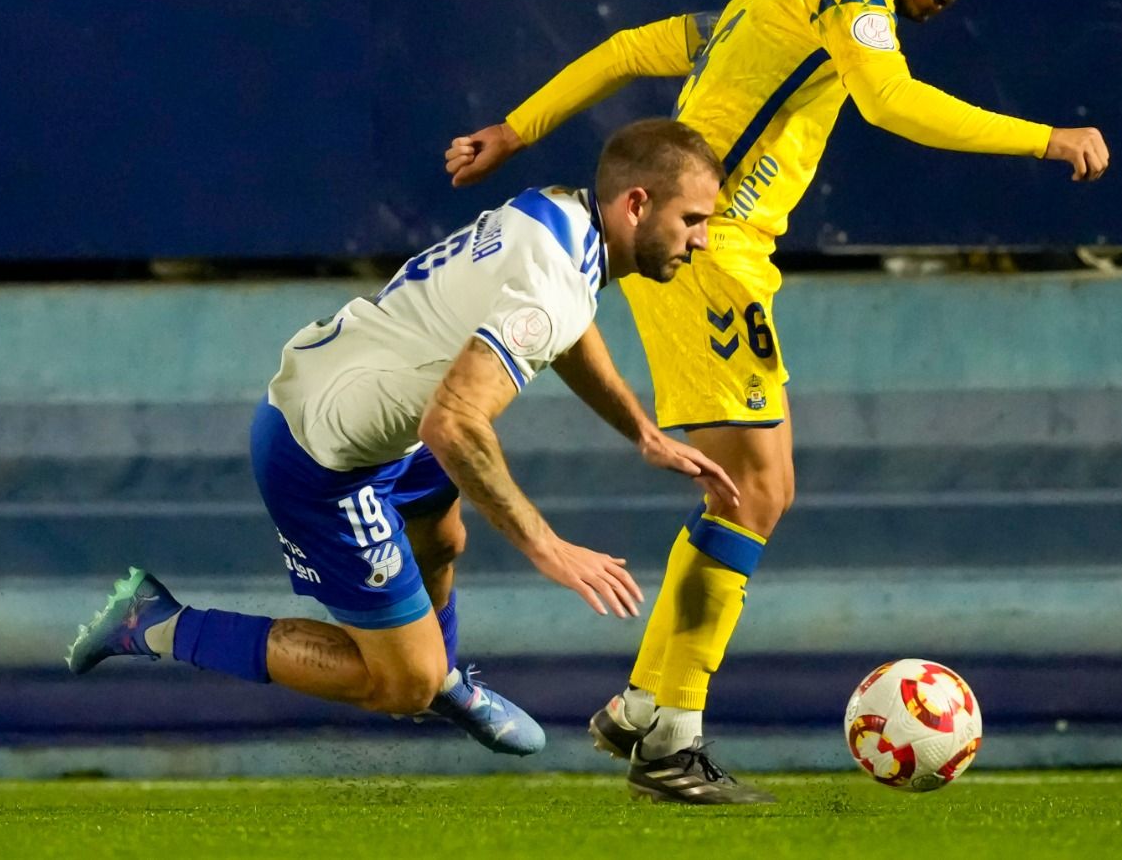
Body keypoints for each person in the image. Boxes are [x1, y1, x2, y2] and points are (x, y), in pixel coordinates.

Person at [445, 0, 1110, 802]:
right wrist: (1045, 138)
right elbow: (890, 100)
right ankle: (670, 736)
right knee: (756, 487)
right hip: (701, 248)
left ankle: (649, 706)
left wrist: (518, 125)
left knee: (755, 489)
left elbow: (639, 46)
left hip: (720, 253)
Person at [68, 118, 739, 762]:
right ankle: (157, 622)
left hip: (377, 407)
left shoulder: (558, 213)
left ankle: (441, 673)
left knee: (443, 541)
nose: (702, 240)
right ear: (638, 204)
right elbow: (453, 423)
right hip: (324, 456)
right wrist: (549, 547)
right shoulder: (554, 286)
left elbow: (566, 323)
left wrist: (642, 432)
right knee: (398, 687)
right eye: (693, 220)